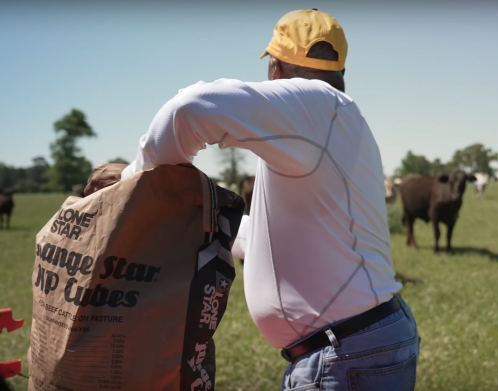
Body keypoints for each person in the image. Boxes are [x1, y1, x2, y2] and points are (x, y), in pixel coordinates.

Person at [120, 9, 419, 390]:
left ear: (275, 69)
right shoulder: (336, 122)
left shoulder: (315, 106)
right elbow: (281, 238)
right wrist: (199, 223)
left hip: (345, 355)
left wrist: (132, 186)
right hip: (362, 344)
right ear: (340, 70)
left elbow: (189, 108)